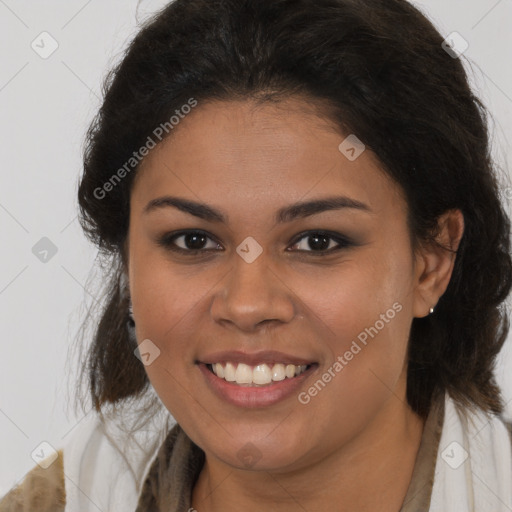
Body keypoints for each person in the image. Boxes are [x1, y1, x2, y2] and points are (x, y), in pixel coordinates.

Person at [2, 0, 512, 510]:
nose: (247, 306)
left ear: (432, 263)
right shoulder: (63, 498)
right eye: (193, 241)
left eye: (318, 242)